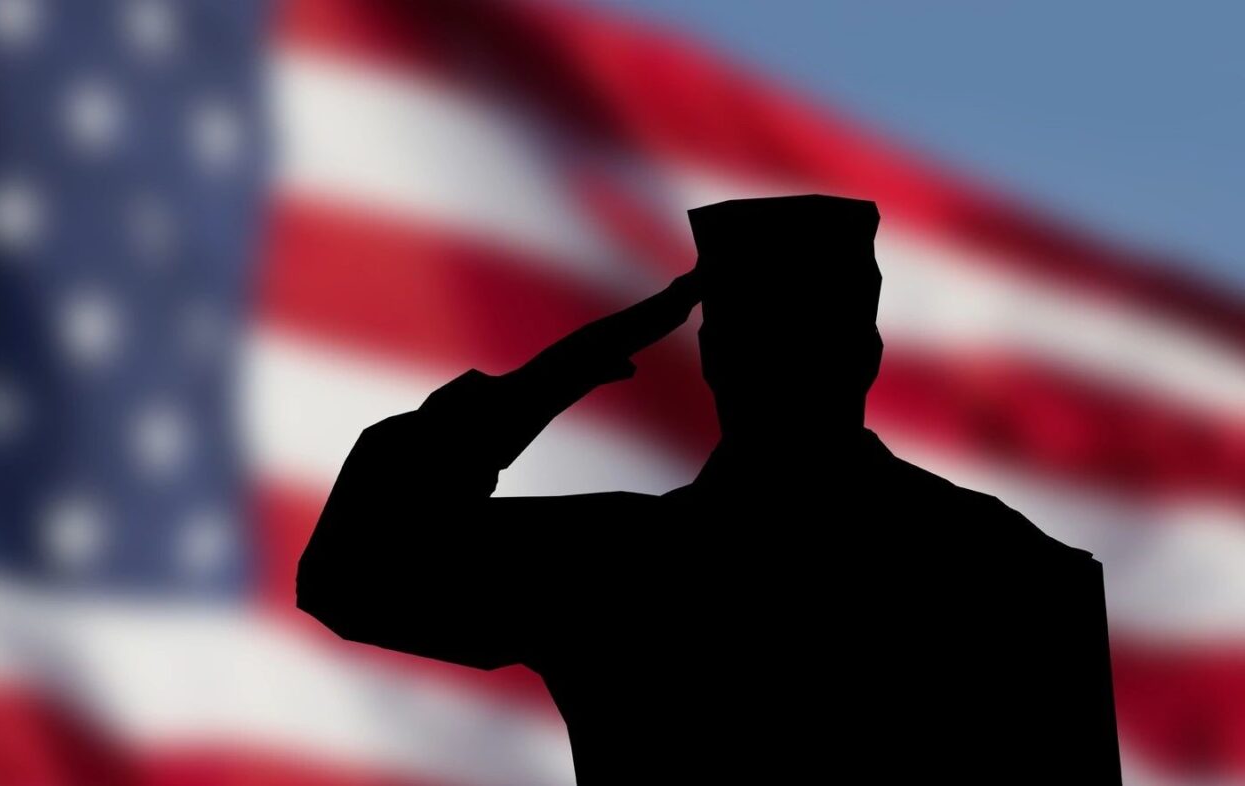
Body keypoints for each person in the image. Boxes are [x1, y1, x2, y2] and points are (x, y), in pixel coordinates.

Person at [296, 195, 1122, 783]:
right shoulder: (1024, 577)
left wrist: (544, 383)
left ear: (712, 359)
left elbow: (352, 570)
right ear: (866, 354)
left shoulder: (614, 570)